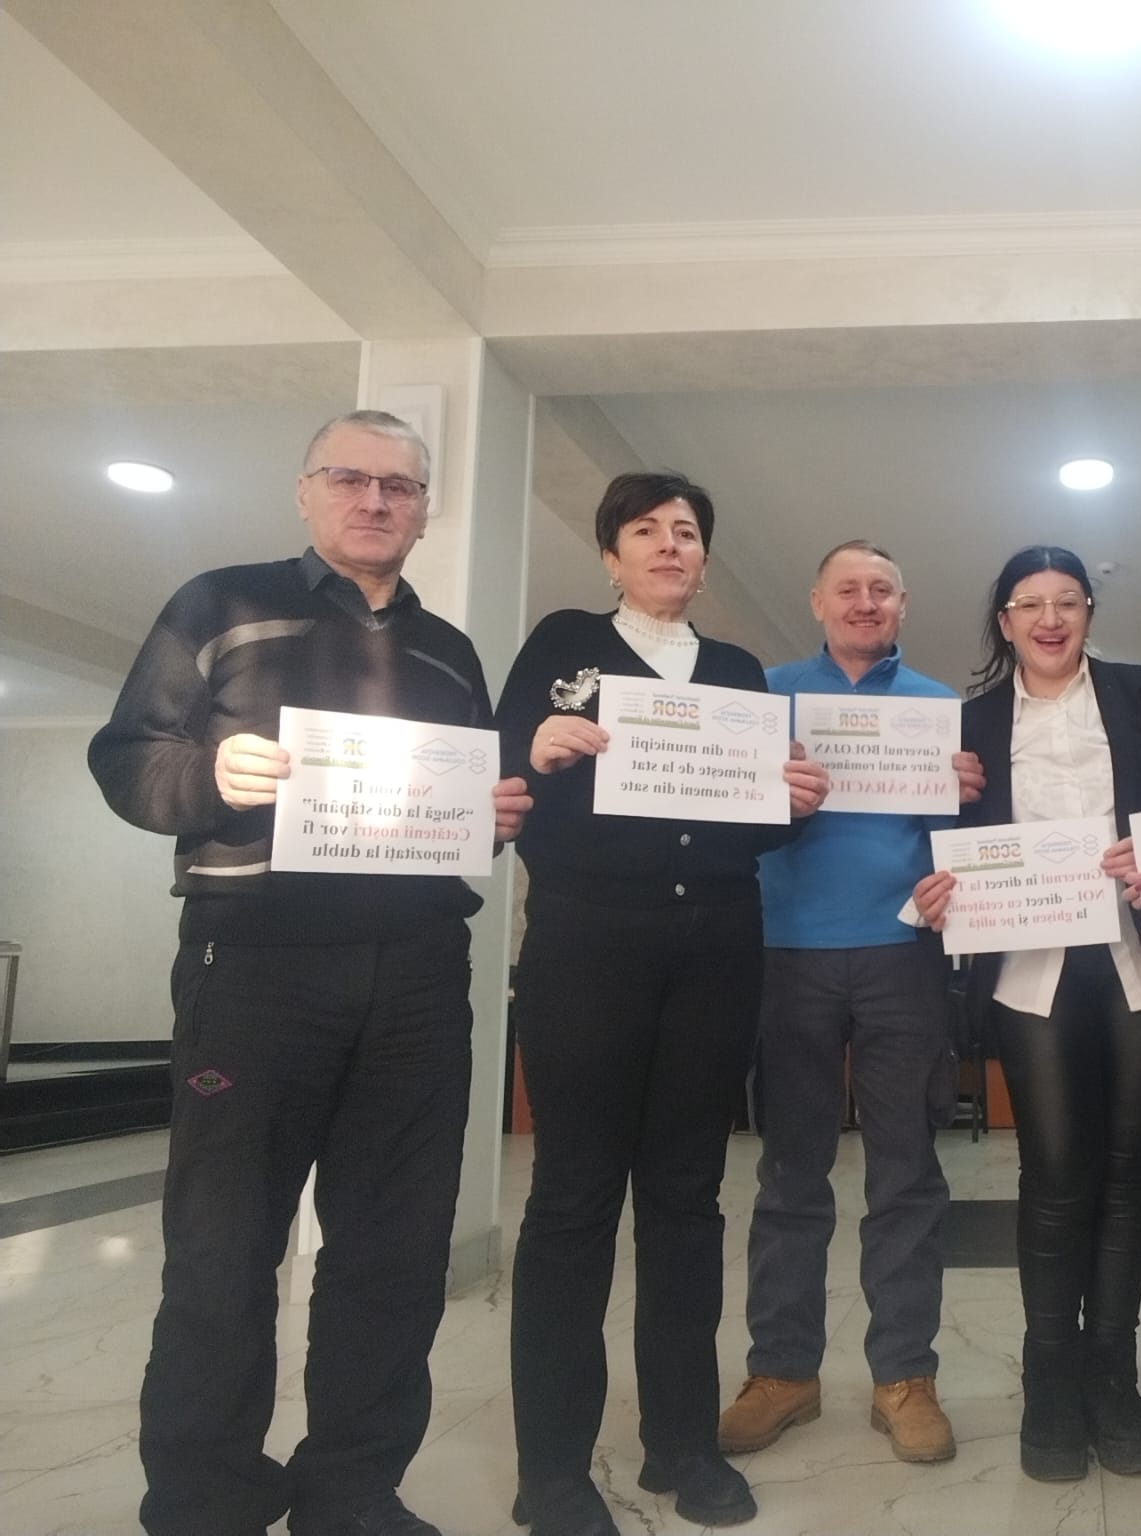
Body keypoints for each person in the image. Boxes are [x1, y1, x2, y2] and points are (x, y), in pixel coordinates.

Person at [87, 409, 532, 1536]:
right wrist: (210, 773)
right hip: (257, 962)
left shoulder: (451, 652)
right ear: (306, 492)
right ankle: (206, 1499)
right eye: (350, 478)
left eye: (399, 486)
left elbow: (462, 820)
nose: (375, 500)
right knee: (223, 1248)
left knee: (396, 1248)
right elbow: (126, 756)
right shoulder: (218, 603)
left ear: (424, 510)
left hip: (420, 973)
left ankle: (351, 1490)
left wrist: (488, 821)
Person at [494, 472, 829, 1536]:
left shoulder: (736, 671)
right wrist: (533, 752)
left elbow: (749, 818)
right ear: (611, 555)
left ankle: (682, 1446)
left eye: (686, 532)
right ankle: (552, 1468)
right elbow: (499, 775)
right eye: (645, 531)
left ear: (704, 558)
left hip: (716, 947)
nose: (669, 545)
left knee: (687, 1197)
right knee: (572, 1198)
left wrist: (793, 804)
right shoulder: (563, 644)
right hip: (587, 940)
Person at [911, 546, 1141, 1483]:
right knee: (1053, 1173)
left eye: (1067, 602)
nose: (1050, 619)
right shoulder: (967, 722)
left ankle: (1111, 1373)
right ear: (1004, 622)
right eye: (1029, 605)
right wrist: (937, 885)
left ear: (1087, 613)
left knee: (1128, 1173)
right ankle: (1049, 1376)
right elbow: (938, 838)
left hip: (1136, 956)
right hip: (1028, 964)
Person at [719, 540, 985, 1465]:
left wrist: (966, 802)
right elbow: (725, 815)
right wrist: (770, 795)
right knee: (790, 1172)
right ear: (817, 602)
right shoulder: (766, 695)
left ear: (902, 605)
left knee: (906, 1173)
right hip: (786, 953)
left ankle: (904, 1377)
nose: (865, 602)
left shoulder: (941, 708)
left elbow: (967, 849)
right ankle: (782, 1373)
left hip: (903, 954)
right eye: (848, 589)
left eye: (881, 589)